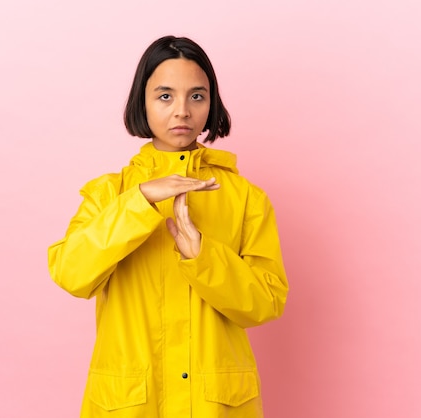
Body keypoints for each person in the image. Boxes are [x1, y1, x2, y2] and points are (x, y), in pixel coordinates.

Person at [47, 35, 289, 418]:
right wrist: (138, 202)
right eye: (165, 96)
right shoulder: (110, 194)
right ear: (141, 102)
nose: (182, 111)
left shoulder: (245, 198)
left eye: (197, 96)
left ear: (211, 103)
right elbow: (71, 273)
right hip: (131, 404)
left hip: (217, 405)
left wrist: (202, 256)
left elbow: (265, 304)